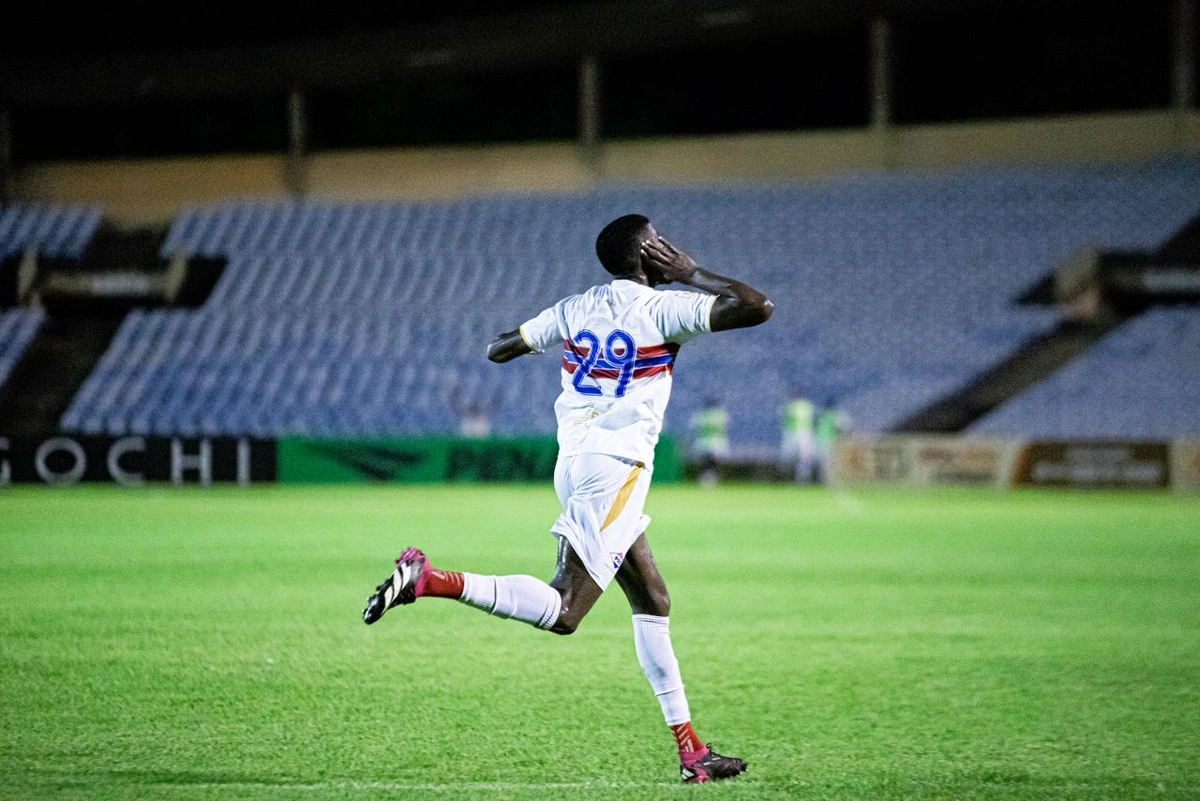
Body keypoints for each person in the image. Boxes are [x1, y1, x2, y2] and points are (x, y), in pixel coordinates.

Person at [361, 213, 773, 783]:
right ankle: (431, 579)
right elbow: (757, 306)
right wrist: (693, 273)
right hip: (618, 468)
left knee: (653, 600)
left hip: (575, 461)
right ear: (652, 250)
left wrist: (568, 346)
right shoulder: (663, 310)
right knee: (565, 611)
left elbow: (498, 349)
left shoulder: (575, 307)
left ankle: (692, 754)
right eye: (661, 239)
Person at [689, 395, 729, 486]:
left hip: (703, 442)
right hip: (717, 442)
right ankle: (712, 478)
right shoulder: (721, 414)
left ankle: (706, 478)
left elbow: (693, 427)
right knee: (714, 462)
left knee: (705, 462)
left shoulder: (701, 415)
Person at [779, 386, 816, 484]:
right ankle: (801, 479)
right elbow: (814, 420)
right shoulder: (808, 406)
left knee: (789, 457)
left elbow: (783, 419)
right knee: (803, 458)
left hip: (793, 433)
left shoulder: (790, 406)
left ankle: (789, 478)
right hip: (804, 434)